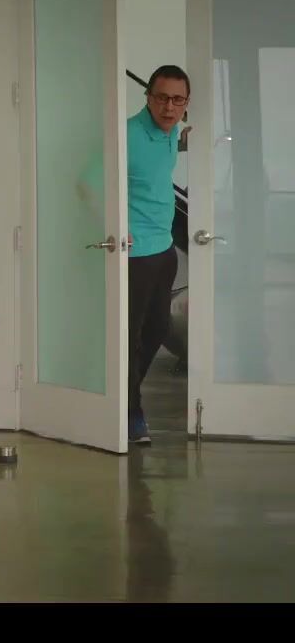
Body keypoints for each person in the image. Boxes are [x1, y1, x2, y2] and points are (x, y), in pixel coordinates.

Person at [125, 65, 190, 444]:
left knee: (158, 329)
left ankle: (127, 398)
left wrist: (184, 141)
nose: (168, 107)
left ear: (185, 104)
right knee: (131, 336)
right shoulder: (128, 136)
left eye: (177, 100)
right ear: (148, 97)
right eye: (161, 98)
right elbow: (88, 183)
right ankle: (130, 412)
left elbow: (158, 161)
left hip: (163, 249)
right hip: (135, 255)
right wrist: (118, 228)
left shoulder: (170, 133)